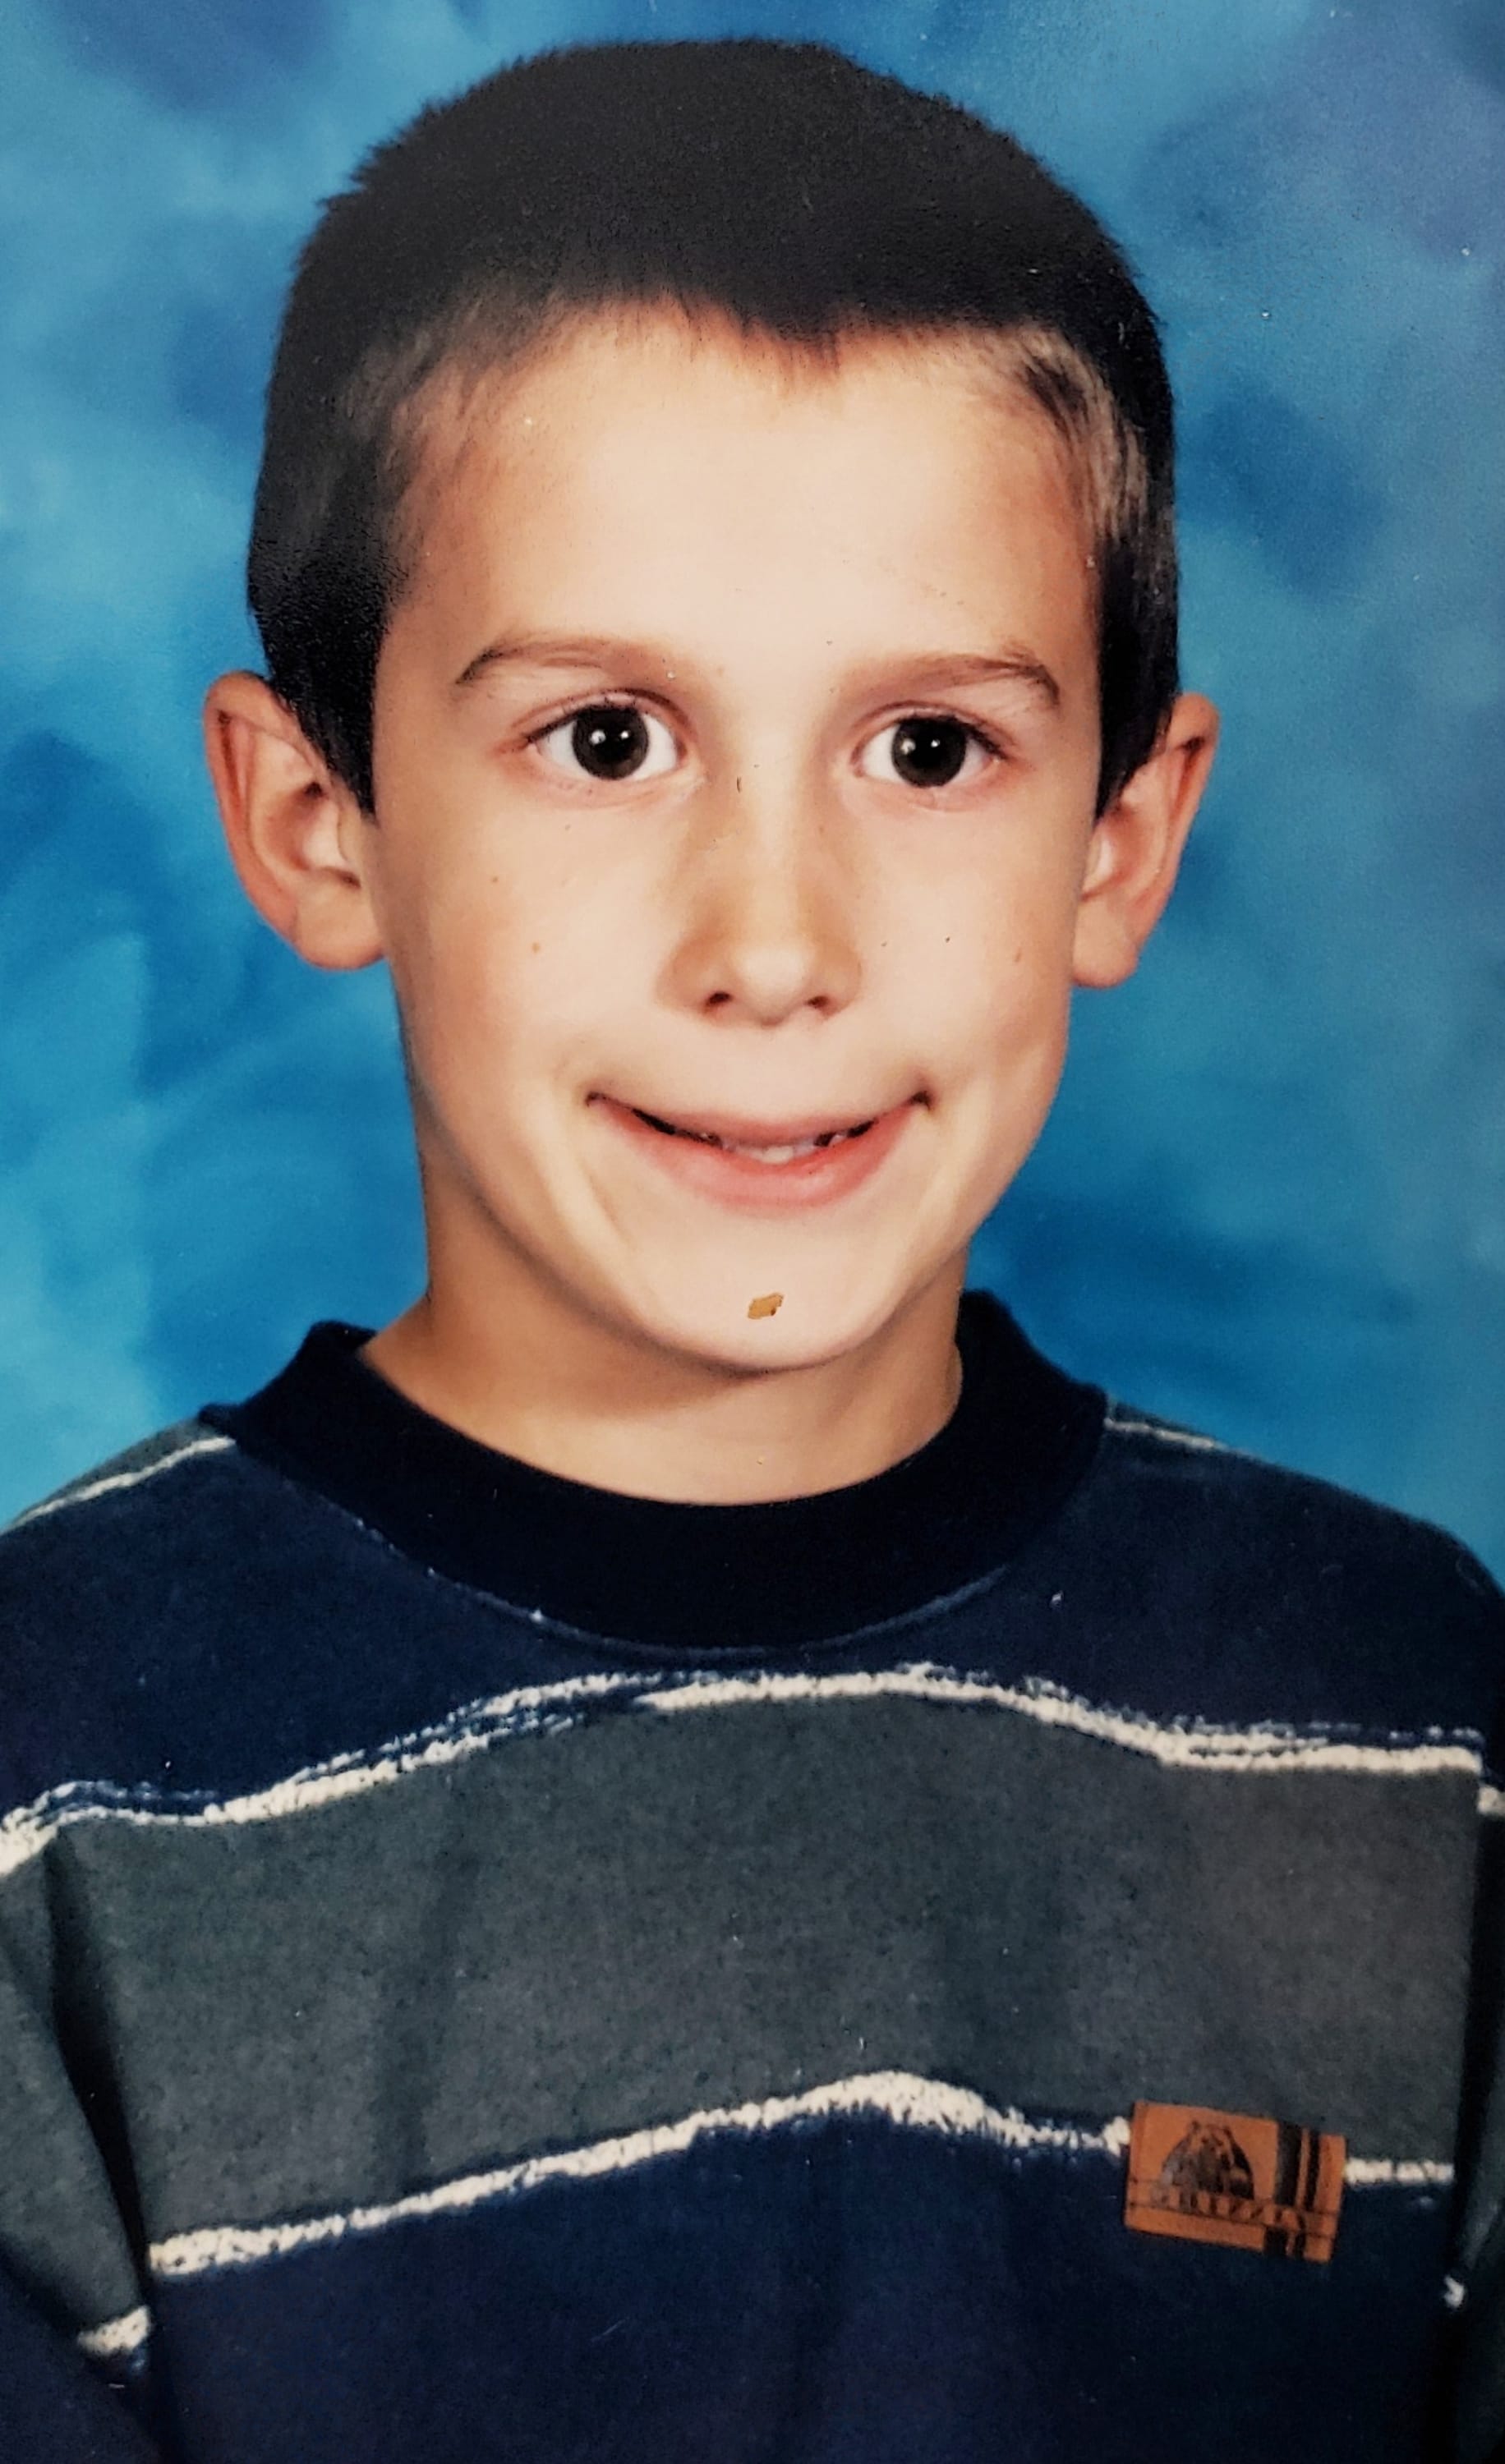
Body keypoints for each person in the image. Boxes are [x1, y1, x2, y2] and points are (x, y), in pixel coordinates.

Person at [1, 34, 1501, 2463]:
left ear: (1120, 843)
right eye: (609, 740)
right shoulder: (48, 1805)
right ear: (315, 820)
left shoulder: (1411, 1739)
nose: (776, 946)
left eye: (930, 751)